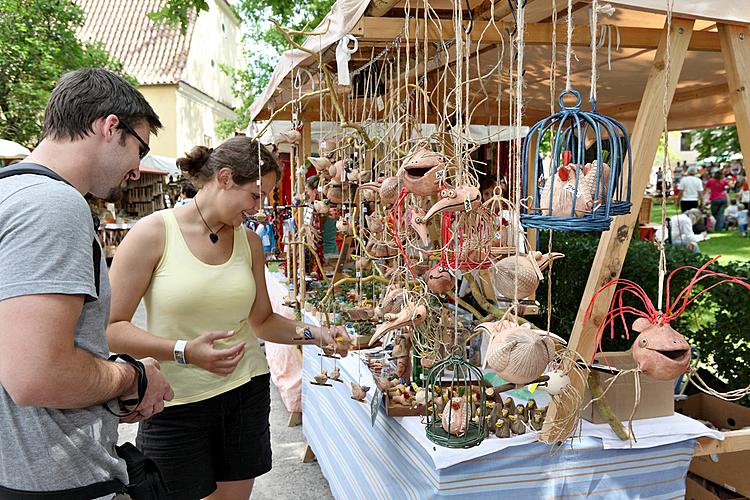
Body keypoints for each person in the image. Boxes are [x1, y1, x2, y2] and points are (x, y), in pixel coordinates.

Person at [106, 137, 351, 500]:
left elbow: (263, 321)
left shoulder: (249, 242)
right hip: (174, 401)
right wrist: (182, 351)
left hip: (244, 394)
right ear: (223, 178)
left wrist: (317, 334)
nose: (259, 207)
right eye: (255, 194)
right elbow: (111, 329)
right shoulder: (153, 233)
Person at [0, 69, 173, 495]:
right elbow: (37, 375)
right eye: (141, 148)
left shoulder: (13, 195)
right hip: (56, 479)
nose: (137, 169)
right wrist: (133, 377)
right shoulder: (52, 206)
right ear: (110, 126)